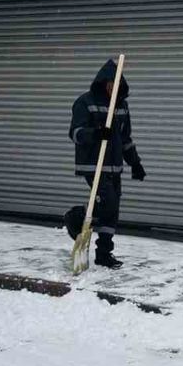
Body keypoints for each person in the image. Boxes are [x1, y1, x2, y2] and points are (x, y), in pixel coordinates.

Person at [67, 59, 145, 269]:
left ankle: (103, 253)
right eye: (110, 84)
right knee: (108, 203)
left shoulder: (122, 106)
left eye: (117, 85)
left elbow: (125, 138)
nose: (113, 89)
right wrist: (96, 134)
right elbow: (75, 133)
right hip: (92, 164)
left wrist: (135, 163)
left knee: (112, 208)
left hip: (114, 166)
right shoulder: (85, 102)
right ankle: (76, 216)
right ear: (102, 83)